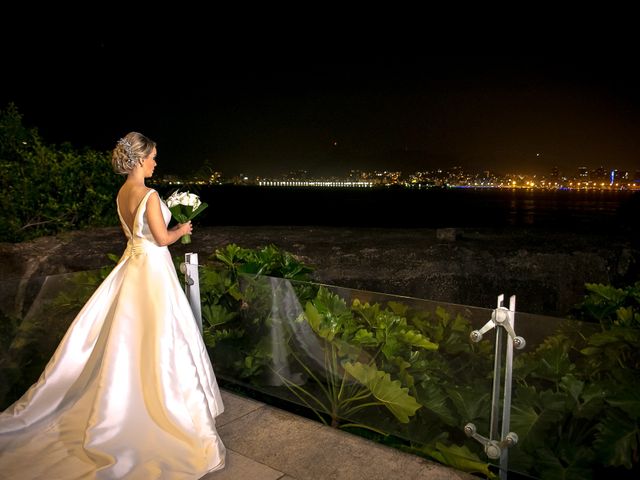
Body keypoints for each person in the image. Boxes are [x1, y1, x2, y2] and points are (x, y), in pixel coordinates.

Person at [0, 132, 226, 478]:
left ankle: (129, 400)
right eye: (152, 156)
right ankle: (161, 407)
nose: (155, 162)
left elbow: (133, 236)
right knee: (161, 336)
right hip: (151, 269)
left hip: (132, 265)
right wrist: (183, 228)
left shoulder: (122, 193)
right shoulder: (149, 195)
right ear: (138, 159)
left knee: (130, 337)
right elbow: (161, 239)